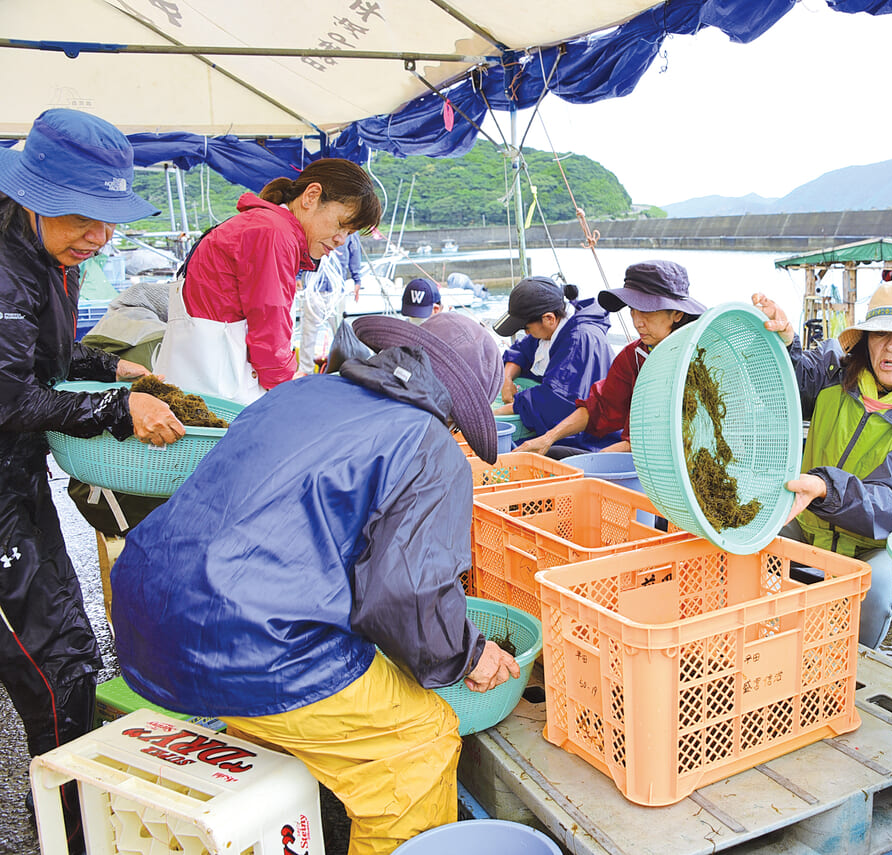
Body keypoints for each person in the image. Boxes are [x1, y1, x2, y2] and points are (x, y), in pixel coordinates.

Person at [111, 312, 520, 855]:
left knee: (277, 724)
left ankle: (262, 770)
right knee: (419, 742)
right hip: (254, 643)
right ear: (456, 408)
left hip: (146, 611)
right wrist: (470, 656)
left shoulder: (303, 391)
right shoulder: (428, 442)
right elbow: (404, 594)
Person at [0, 108, 184, 840]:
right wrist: (118, 405)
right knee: (51, 655)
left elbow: (38, 360)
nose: (101, 237)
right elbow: (11, 395)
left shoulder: (47, 253)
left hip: (16, 477)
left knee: (71, 642)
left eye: (110, 220)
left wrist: (105, 364)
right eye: (86, 217)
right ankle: (66, 822)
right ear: (35, 194)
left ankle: (74, 808)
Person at [753, 282, 892, 649]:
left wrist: (825, 487)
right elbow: (792, 383)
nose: (891, 346)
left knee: (877, 590)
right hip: (810, 520)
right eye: (881, 333)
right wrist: (783, 343)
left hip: (878, 541)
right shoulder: (836, 371)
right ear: (866, 339)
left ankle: (853, 667)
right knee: (747, 544)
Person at [155, 158, 381, 404]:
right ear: (311, 196)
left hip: (194, 376)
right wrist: (289, 387)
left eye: (349, 233)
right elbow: (269, 330)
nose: (341, 240)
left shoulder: (262, 223)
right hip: (217, 393)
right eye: (341, 225)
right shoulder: (274, 233)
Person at [515, 261, 704, 458]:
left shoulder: (702, 354)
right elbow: (600, 407)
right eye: (632, 310)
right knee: (553, 453)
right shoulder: (633, 356)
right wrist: (549, 437)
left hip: (684, 455)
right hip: (641, 456)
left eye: (647, 312)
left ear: (677, 314)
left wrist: (599, 459)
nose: (637, 322)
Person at [492, 276, 615, 453]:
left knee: (505, 451)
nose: (526, 333)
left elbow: (556, 401)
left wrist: (497, 413)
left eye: (526, 328)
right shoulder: (555, 328)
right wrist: (506, 378)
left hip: (591, 438)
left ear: (549, 318)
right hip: (563, 427)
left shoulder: (578, 339)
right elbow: (521, 350)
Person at [296, 232, 363, 369]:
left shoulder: (350, 231)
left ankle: (343, 367)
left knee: (340, 331)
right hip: (314, 288)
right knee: (309, 331)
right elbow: (303, 249)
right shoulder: (318, 225)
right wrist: (298, 276)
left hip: (337, 290)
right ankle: (305, 370)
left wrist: (357, 279)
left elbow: (355, 253)